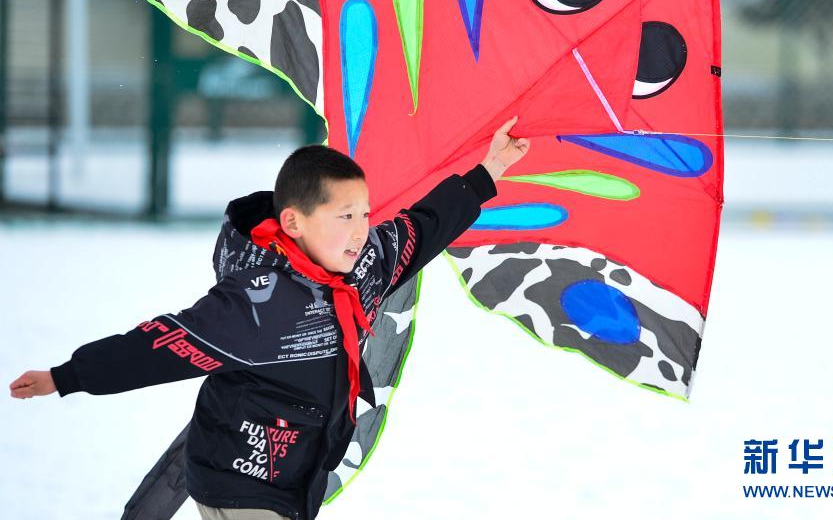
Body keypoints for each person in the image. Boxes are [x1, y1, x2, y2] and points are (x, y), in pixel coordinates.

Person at [9, 117, 530, 520]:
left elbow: (423, 227)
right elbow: (157, 346)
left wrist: (487, 174)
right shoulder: (259, 305)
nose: (359, 229)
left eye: (365, 213)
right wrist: (67, 376)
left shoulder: (363, 264)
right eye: (344, 216)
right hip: (239, 478)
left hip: (295, 479)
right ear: (293, 222)